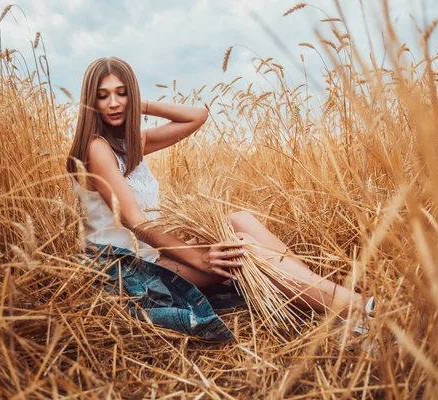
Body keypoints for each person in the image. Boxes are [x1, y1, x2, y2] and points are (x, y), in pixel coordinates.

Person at [67, 56, 371, 341]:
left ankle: (311, 290)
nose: (114, 103)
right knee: (243, 251)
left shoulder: (131, 142)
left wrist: (137, 104)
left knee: (240, 220)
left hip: (152, 254)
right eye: (103, 96)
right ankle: (355, 308)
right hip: (129, 269)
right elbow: (135, 221)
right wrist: (201, 259)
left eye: (121, 93)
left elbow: (197, 116)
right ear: (91, 102)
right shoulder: (97, 148)